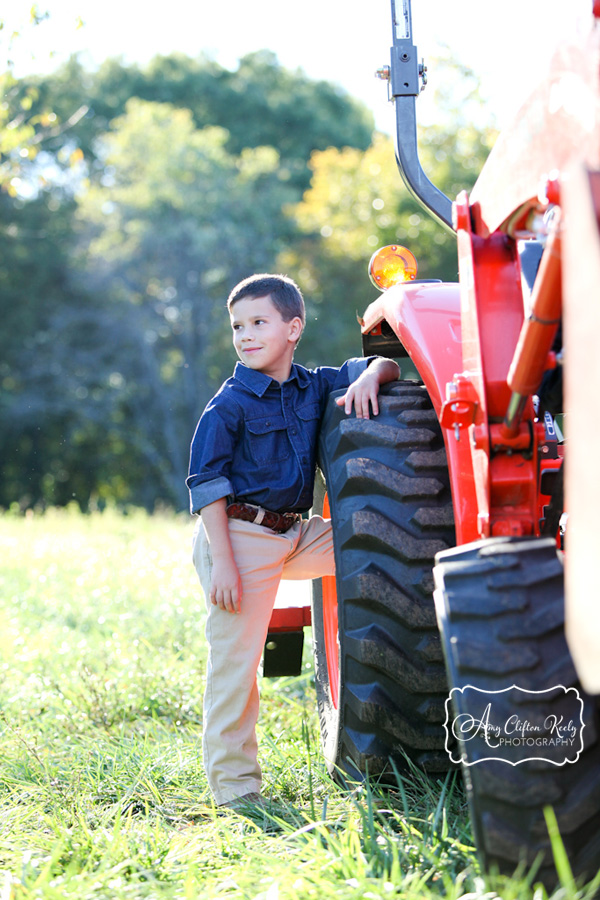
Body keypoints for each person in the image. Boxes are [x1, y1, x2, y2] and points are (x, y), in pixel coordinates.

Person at [186, 273, 400, 808]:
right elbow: (206, 484)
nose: (246, 335)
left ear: (294, 328)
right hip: (236, 535)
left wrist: (374, 375)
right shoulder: (230, 403)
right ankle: (236, 791)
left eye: (259, 323)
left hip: (293, 533)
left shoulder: (312, 385)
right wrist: (225, 565)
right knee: (237, 666)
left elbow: (388, 362)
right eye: (238, 326)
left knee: (375, 543)